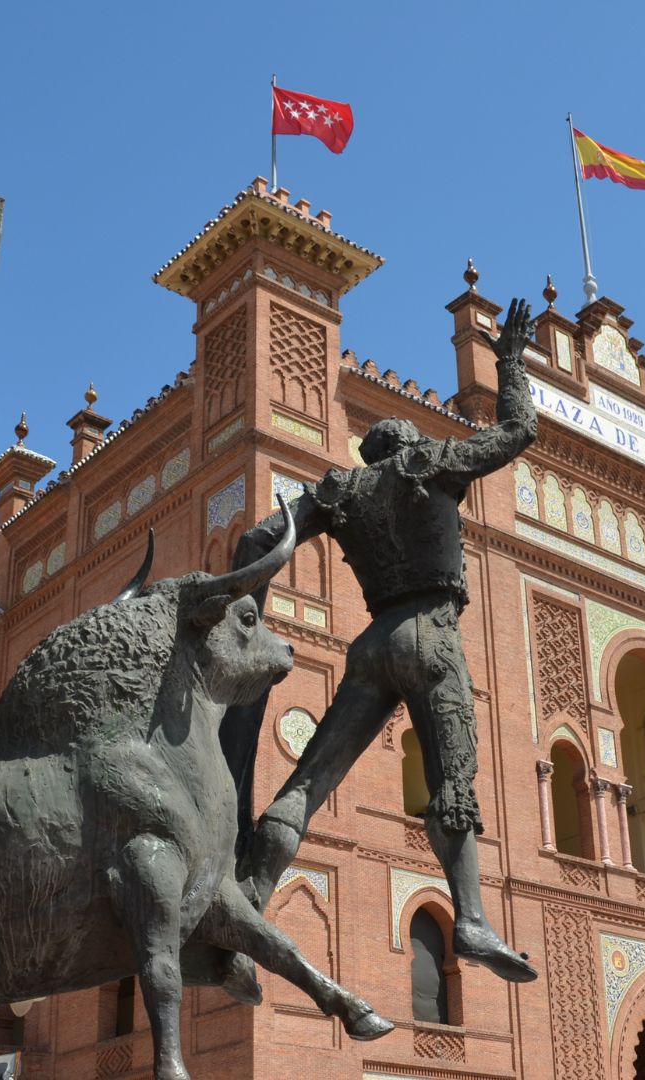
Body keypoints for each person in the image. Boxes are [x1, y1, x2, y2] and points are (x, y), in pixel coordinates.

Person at [230, 297, 540, 982]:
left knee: (306, 784)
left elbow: (258, 539)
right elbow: (519, 429)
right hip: (432, 636)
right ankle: (472, 920)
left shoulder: (341, 491)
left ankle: (248, 899)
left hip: (371, 646)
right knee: (452, 783)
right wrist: (511, 361)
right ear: (406, 442)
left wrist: (245, 611)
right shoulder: (433, 462)